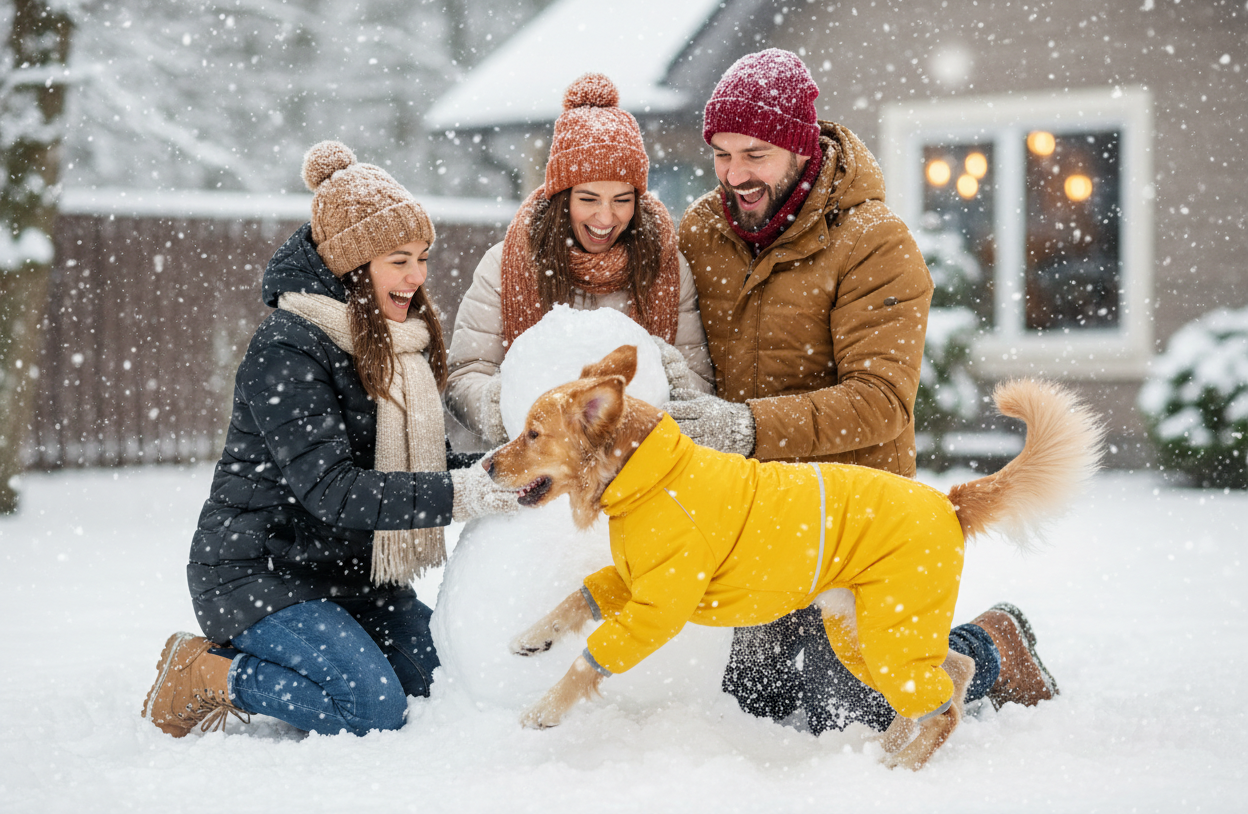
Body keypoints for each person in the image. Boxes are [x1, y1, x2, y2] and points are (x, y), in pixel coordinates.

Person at [666, 49, 1059, 734]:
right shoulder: (702, 228)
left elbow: (879, 401)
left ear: (798, 145)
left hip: (854, 518)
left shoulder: (876, 245)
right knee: (749, 702)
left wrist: (744, 427)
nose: (735, 174)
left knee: (853, 711)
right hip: (753, 515)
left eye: (754, 153)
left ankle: (993, 646)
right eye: (722, 154)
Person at [141, 141, 520, 739]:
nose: (418, 277)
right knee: (372, 710)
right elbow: (333, 489)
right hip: (259, 576)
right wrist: (465, 493)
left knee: (451, 680)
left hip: (355, 577)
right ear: (353, 265)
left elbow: (415, 463)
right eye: (400, 260)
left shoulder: (394, 342)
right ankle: (209, 674)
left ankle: (334, 645)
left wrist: (504, 472)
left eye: (421, 257)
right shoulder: (289, 348)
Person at [446, 73, 713, 446]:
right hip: (538, 472)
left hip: (638, 474)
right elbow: (464, 376)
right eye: (588, 199)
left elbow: (700, 386)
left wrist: (672, 381)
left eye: (622, 200)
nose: (606, 218)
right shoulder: (506, 264)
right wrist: (510, 405)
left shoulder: (666, 267)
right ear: (562, 198)